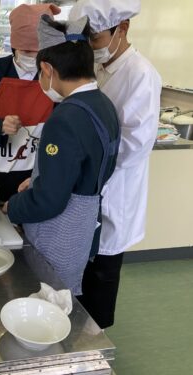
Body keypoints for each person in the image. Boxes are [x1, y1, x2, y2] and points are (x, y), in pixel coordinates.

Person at [4, 14, 121, 296]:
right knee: (65, 296)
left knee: (49, 299)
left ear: (47, 68)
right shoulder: (103, 105)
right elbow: (84, 170)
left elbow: (49, 202)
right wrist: (41, 181)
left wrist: (14, 206)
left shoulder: (66, 117)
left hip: (57, 234)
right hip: (82, 225)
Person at [69, 0, 162, 329]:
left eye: (95, 38)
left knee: (103, 272)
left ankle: (97, 343)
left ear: (122, 29)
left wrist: (86, 165)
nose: (91, 46)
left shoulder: (142, 75)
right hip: (89, 190)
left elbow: (136, 145)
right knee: (82, 267)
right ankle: (78, 335)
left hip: (115, 191)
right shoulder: (99, 67)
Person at [0, 4, 60, 202]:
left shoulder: (53, 75)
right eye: (26, 50)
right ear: (14, 44)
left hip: (31, 170)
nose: (33, 57)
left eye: (38, 51)